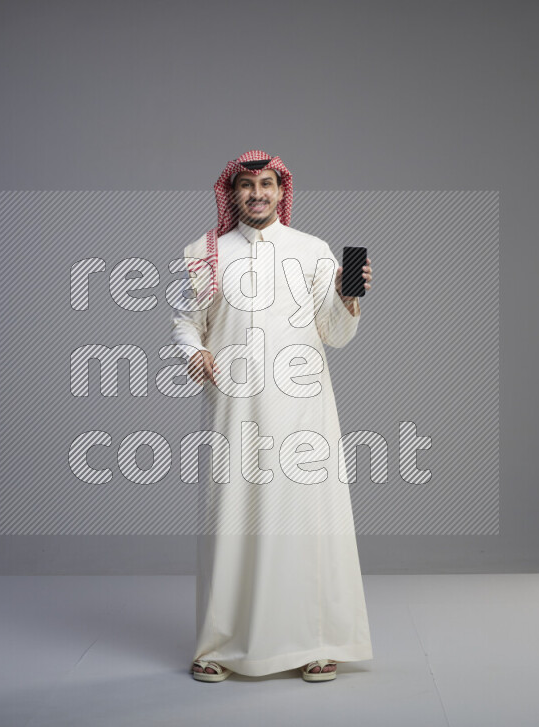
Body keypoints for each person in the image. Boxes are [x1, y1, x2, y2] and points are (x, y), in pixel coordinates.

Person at [170, 150, 373, 682]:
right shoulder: (204, 253)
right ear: (231, 193)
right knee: (231, 519)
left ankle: (316, 643)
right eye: (246, 185)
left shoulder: (313, 250)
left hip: (303, 409)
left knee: (306, 519)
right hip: (234, 407)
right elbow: (186, 321)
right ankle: (218, 646)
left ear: (282, 192)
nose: (257, 194)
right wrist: (195, 350)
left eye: (266, 184)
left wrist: (348, 297)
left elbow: (336, 334)